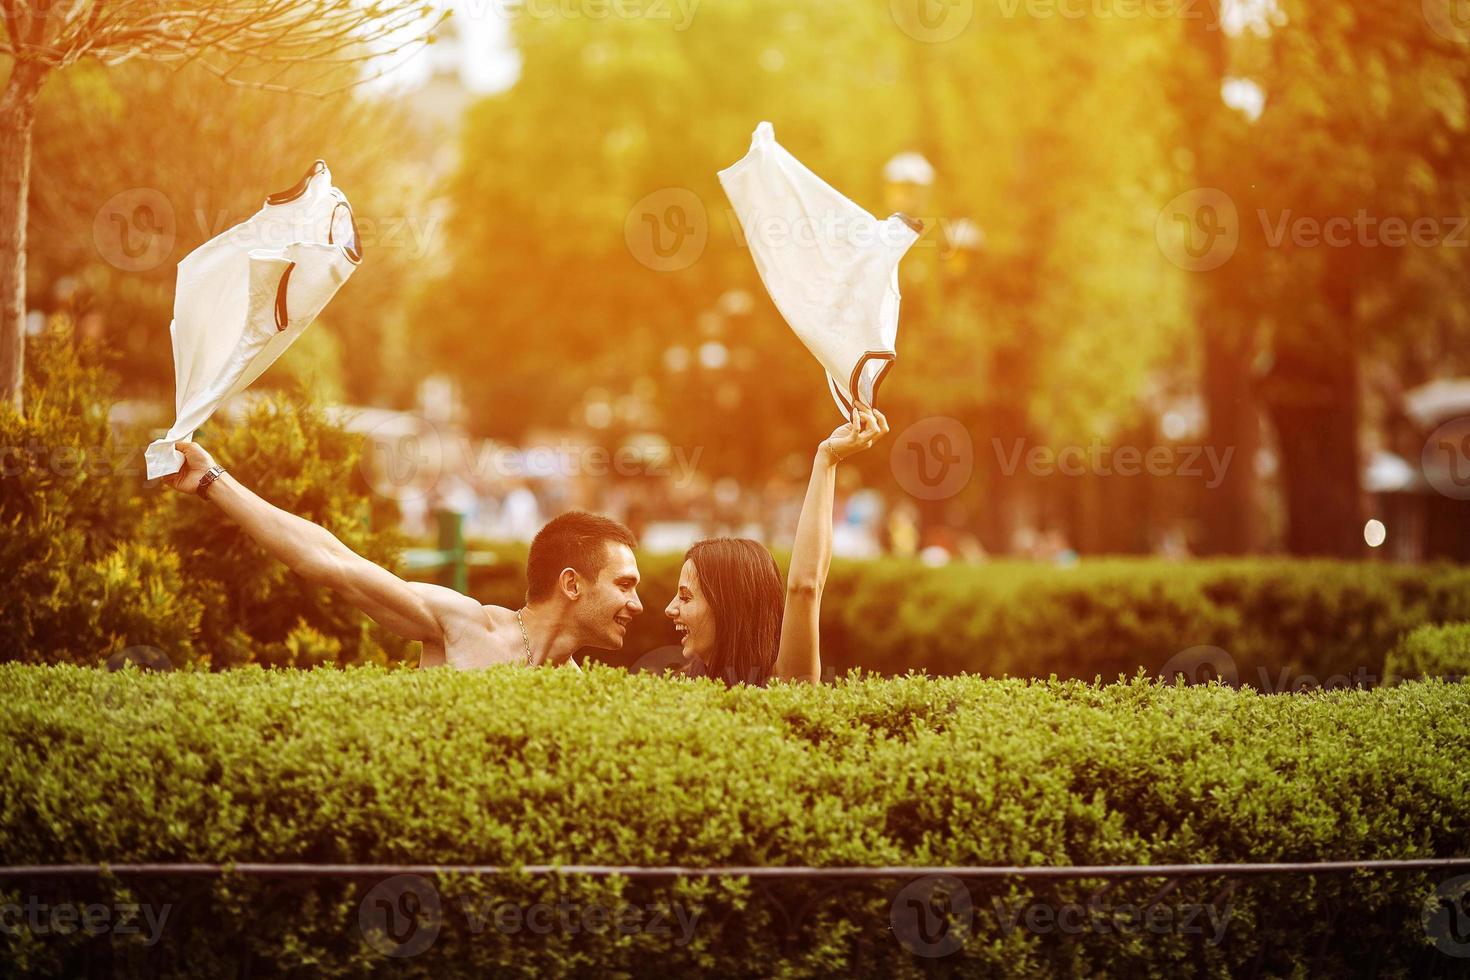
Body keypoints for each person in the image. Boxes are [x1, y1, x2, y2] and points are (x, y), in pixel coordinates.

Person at [164, 440, 643, 670]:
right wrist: (212, 482)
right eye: (624, 585)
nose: (638, 605)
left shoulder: (579, 694)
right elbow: (334, 564)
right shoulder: (465, 625)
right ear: (572, 583)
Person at [664, 404, 889, 685]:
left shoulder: (782, 684)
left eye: (686, 597)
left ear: (729, 605)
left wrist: (826, 459)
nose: (670, 609)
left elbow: (805, 587)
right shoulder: (676, 687)